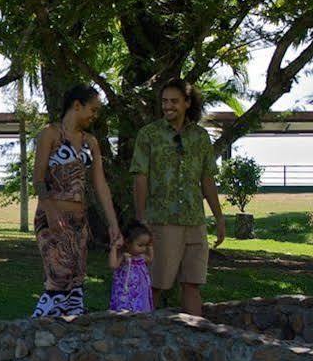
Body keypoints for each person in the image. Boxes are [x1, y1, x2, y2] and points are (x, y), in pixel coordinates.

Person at [130, 78, 226, 315]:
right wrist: (141, 219)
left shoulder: (201, 137)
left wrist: (219, 217)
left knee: (192, 283)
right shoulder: (149, 135)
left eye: (174, 101)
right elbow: (140, 177)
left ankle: (196, 339)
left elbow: (207, 179)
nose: (168, 106)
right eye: (164, 101)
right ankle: (141, 337)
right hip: (162, 221)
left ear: (187, 103)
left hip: (195, 221)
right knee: (156, 284)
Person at [31, 84, 124, 318]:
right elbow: (38, 178)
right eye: (93, 109)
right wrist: (50, 211)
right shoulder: (50, 134)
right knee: (59, 277)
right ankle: (37, 329)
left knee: (75, 282)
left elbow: (100, 185)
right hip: (52, 219)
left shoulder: (90, 142)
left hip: (78, 223)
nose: (95, 115)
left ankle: (68, 340)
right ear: (76, 106)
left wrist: (113, 223)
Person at [108, 220, 155, 314]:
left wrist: (150, 246)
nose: (143, 248)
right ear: (127, 242)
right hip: (126, 290)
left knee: (142, 307)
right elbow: (113, 265)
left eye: (146, 245)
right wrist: (113, 248)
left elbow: (150, 259)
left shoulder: (141, 257)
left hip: (141, 290)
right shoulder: (124, 256)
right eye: (140, 245)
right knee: (125, 308)